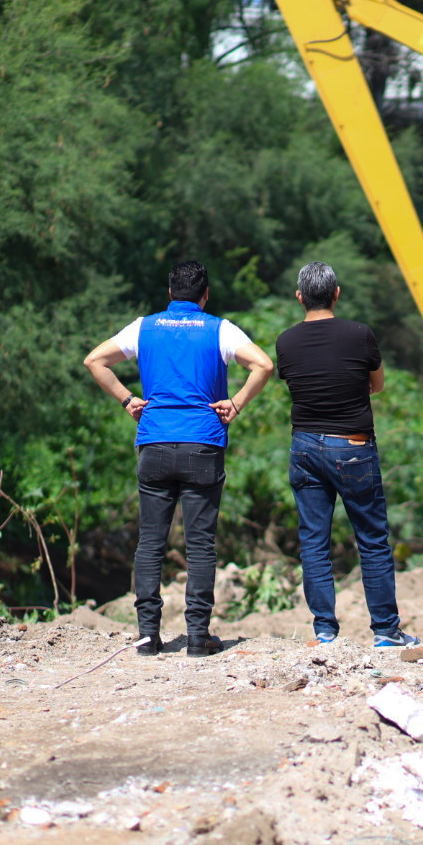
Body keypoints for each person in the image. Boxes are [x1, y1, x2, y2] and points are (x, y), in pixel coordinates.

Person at [83, 261, 274, 657]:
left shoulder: (144, 327)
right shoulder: (220, 328)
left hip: (154, 442)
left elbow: (94, 361)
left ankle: (147, 635)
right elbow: (264, 365)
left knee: (151, 541)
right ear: (205, 296)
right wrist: (236, 403)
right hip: (203, 443)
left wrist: (127, 399)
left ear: (170, 293)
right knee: (200, 545)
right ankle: (198, 636)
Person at [275, 261, 417, 649]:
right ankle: (386, 631)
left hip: (304, 446)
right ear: (337, 293)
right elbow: (378, 385)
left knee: (314, 541)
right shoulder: (360, 335)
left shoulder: (285, 341)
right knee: (371, 540)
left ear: (299, 297)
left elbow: (295, 383)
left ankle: (325, 631)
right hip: (353, 447)